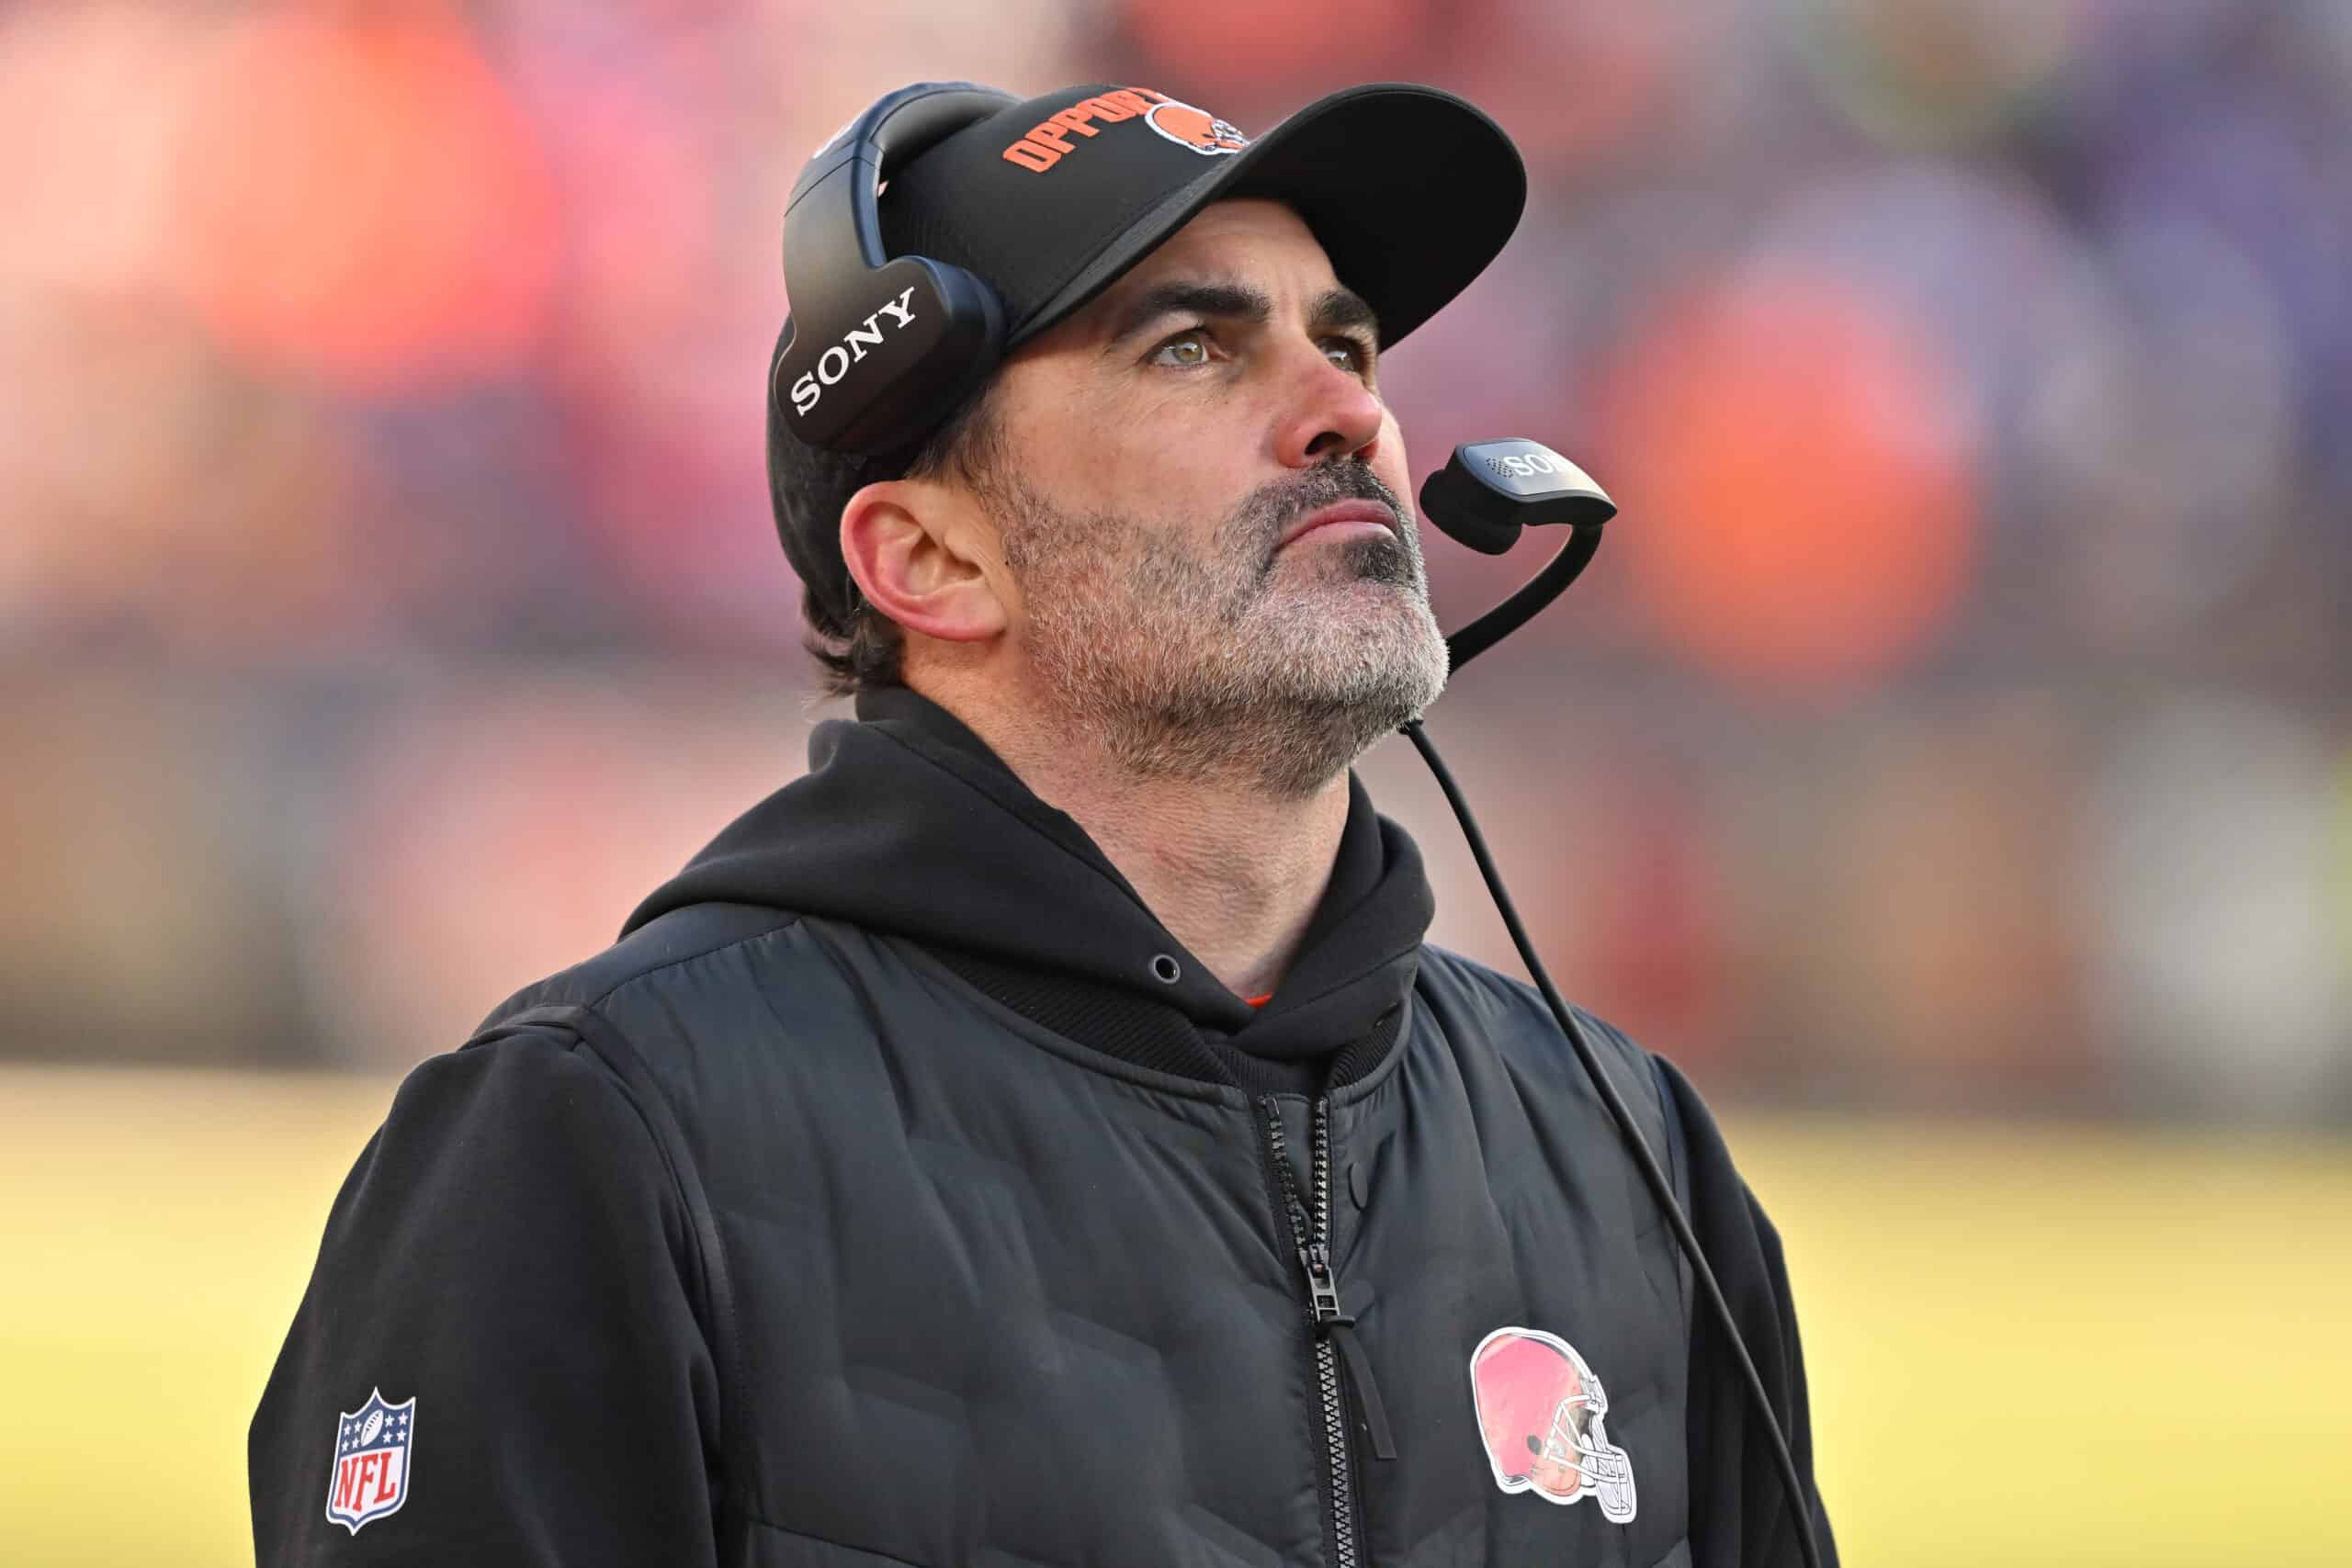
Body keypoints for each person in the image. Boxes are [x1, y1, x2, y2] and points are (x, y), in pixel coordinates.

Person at [251, 80, 1837, 1567]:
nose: (1342, 413)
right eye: (1192, 349)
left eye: (1347, 346)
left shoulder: (1628, 1152)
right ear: (932, 561)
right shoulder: (595, 1137)